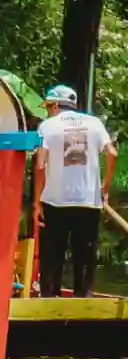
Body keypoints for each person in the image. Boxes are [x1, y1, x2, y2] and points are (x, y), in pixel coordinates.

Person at [35, 84, 117, 298]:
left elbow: (40, 165)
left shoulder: (48, 126)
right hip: (88, 201)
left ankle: (49, 302)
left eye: (48, 106)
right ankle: (84, 302)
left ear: (54, 105)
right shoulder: (95, 123)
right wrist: (104, 188)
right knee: (85, 258)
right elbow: (112, 154)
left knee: (53, 258)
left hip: (55, 202)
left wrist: (37, 201)